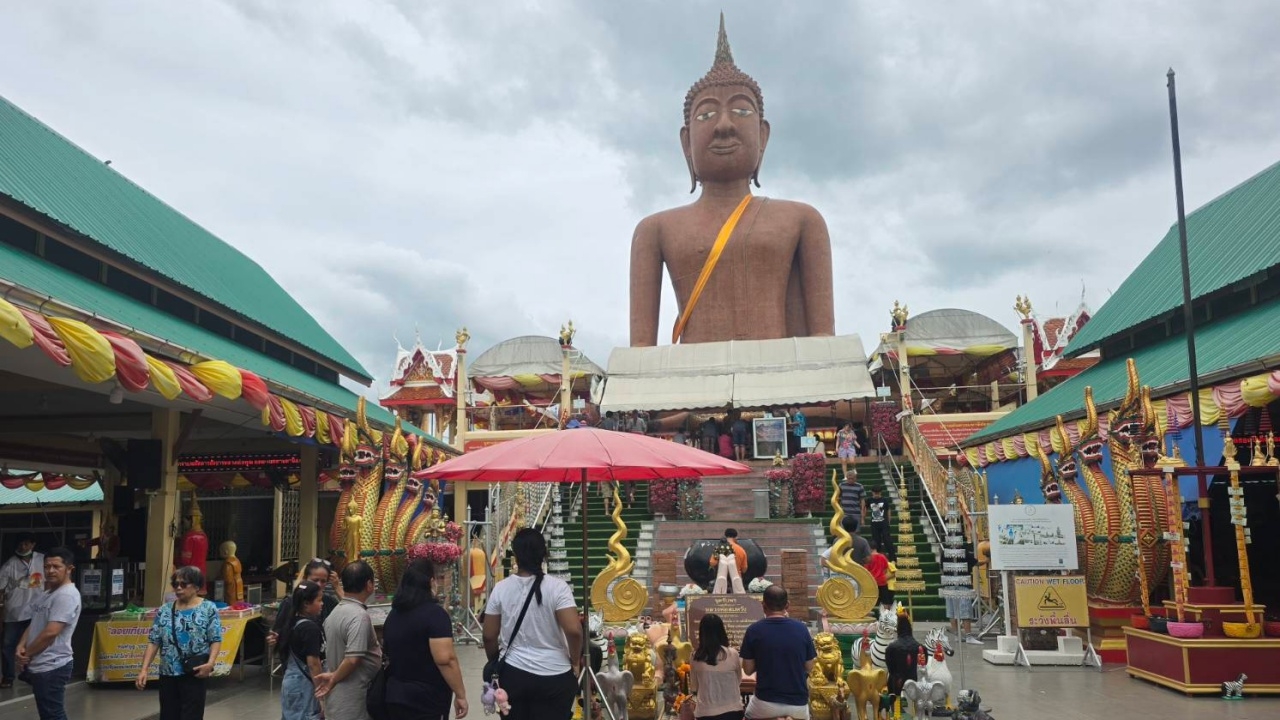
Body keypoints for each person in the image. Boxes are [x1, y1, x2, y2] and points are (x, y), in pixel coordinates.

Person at [482, 528, 582, 720]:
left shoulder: (501, 589)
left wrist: (496, 659)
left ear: (515, 555)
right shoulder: (558, 587)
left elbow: (488, 635)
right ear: (544, 554)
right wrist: (575, 662)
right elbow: (574, 630)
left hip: (513, 673)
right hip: (555, 674)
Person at [381, 558, 467, 720]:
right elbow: (445, 659)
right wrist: (460, 694)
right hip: (427, 699)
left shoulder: (393, 615)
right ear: (431, 582)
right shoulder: (435, 615)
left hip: (396, 695)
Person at [136, 566, 223, 720]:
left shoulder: (208, 608)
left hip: (194, 672)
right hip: (168, 673)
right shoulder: (165, 610)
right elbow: (154, 640)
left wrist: (210, 663)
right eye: (175, 584)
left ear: (196, 586)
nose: (178, 588)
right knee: (168, 715)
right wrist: (144, 669)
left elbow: (215, 639)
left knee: (191, 715)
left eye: (184, 584)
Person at [15, 547, 80, 720]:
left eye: (56, 566)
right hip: (41, 663)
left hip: (53, 665)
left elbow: (51, 632)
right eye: (47, 566)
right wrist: (21, 646)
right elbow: (36, 622)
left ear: (69, 569)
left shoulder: (67, 595)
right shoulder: (48, 593)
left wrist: (26, 655)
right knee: (48, 713)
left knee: (53, 714)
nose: (50, 571)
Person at [314, 561, 383, 720]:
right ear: (369, 584)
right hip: (353, 700)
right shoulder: (359, 617)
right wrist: (334, 678)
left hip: (340, 698)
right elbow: (352, 659)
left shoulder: (336, 612)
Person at [740, 586, 815, 719]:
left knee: (748, 715)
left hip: (765, 703)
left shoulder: (754, 630)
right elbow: (809, 667)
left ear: (763, 605)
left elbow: (748, 670)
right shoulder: (802, 629)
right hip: (798, 704)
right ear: (787, 605)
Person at [1, 531, 43, 689]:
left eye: (26, 543)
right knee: (8, 645)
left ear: (33, 545)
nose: (23, 546)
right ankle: (8, 676)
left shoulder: (42, 560)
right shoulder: (9, 564)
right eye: (21, 543)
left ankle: (30, 673)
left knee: (34, 644)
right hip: (14, 613)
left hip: (36, 610)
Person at [278, 580, 326, 720]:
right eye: (319, 600)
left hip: (291, 683)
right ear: (306, 604)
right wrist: (321, 694)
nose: (322, 604)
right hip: (303, 687)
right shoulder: (309, 628)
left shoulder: (292, 622)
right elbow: (313, 663)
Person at [270, 559, 339, 648]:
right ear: (305, 578)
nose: (319, 584)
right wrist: (275, 638)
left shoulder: (330, 602)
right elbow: (278, 631)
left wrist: (337, 588)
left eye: (323, 581)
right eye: (315, 580)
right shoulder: (289, 602)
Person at [689, 614, 743, 720]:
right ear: (722, 631)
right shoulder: (733, 654)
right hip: (733, 712)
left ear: (702, 633)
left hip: (706, 713)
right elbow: (738, 680)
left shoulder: (696, 656)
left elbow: (694, 686)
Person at [948, 543, 984, 645]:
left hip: (949, 583)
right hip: (963, 583)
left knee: (953, 611)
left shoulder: (944, 553)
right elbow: (976, 563)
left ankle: (957, 635)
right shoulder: (963, 553)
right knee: (965, 610)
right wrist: (988, 560)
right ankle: (968, 636)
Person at [884, 613, 922, 697]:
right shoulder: (920, 647)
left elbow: (891, 669)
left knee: (892, 677)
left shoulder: (891, 648)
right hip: (916, 678)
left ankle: (895, 702)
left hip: (898, 679)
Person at [710, 528, 747, 594]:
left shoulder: (719, 548)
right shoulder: (741, 550)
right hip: (736, 582)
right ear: (735, 537)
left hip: (721, 582)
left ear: (725, 536)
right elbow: (744, 569)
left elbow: (712, 563)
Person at [865, 542, 892, 611]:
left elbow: (866, 571)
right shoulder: (883, 557)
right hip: (882, 581)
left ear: (869, 548)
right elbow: (886, 569)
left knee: (870, 600)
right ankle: (886, 617)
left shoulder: (868, 558)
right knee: (886, 601)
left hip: (872, 582)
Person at [866, 488, 892, 560]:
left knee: (887, 539)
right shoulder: (869, 500)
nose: (877, 495)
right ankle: (878, 557)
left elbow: (888, 509)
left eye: (878, 493)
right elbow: (865, 508)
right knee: (876, 540)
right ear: (872, 492)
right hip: (874, 523)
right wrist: (863, 517)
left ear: (880, 492)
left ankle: (892, 557)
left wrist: (889, 520)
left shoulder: (884, 500)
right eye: (875, 493)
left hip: (884, 523)